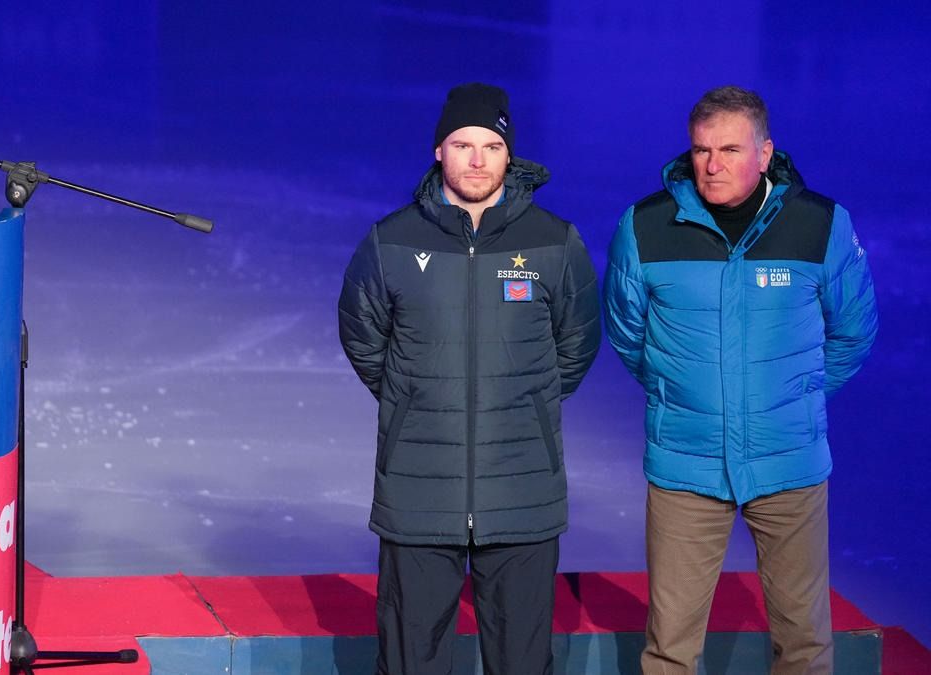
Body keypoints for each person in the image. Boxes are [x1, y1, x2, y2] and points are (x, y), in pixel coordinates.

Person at [604, 85, 878, 674]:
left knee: (804, 641)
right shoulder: (645, 226)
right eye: (701, 150)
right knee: (669, 646)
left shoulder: (821, 224)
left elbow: (853, 333)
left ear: (765, 152)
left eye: (730, 149)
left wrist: (796, 396)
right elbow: (628, 335)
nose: (712, 164)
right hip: (686, 464)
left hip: (789, 464)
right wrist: (679, 394)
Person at [338, 82, 600, 674]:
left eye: (491, 146)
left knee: (522, 663)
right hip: (419, 491)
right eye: (462, 145)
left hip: (521, 491)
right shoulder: (392, 240)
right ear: (439, 151)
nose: (477, 160)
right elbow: (363, 337)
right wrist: (416, 398)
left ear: (510, 154)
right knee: (410, 662)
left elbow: (577, 342)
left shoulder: (554, 242)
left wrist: (523, 404)